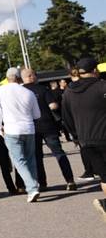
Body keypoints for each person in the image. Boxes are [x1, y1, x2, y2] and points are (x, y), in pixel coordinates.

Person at [61, 56, 106, 220]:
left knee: (104, 175)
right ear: (95, 70)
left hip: (86, 140)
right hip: (104, 136)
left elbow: (66, 118)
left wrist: (75, 136)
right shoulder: (102, 86)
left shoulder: (68, 92)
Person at [0, 68, 43, 202]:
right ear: (19, 78)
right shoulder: (29, 92)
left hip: (11, 129)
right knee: (31, 158)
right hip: (29, 128)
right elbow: (37, 115)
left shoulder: (0, 91)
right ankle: (34, 185)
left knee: (19, 160)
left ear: (7, 77)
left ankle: (32, 188)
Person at [22, 67, 77, 191]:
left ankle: (42, 183)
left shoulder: (21, 91)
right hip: (48, 125)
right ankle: (69, 180)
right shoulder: (43, 89)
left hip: (31, 127)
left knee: (37, 156)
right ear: (32, 76)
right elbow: (53, 106)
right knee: (59, 153)